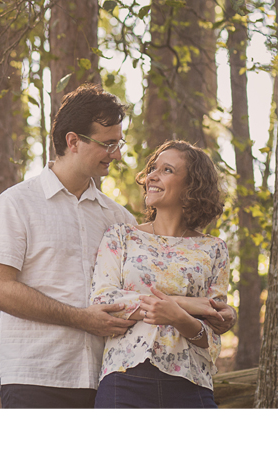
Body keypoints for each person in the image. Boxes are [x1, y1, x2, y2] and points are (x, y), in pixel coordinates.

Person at [0, 84, 235, 409]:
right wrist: (81, 318)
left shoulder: (118, 218)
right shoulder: (16, 203)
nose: (117, 154)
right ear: (73, 141)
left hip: (103, 379)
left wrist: (214, 312)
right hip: (36, 375)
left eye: (119, 143)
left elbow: (150, 286)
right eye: (108, 144)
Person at [90, 140, 230, 408]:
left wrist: (178, 318)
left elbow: (211, 335)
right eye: (153, 168)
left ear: (192, 186)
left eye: (167, 170)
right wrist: (185, 303)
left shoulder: (214, 249)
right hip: (124, 378)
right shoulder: (121, 235)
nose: (152, 175)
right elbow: (103, 301)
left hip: (192, 384)